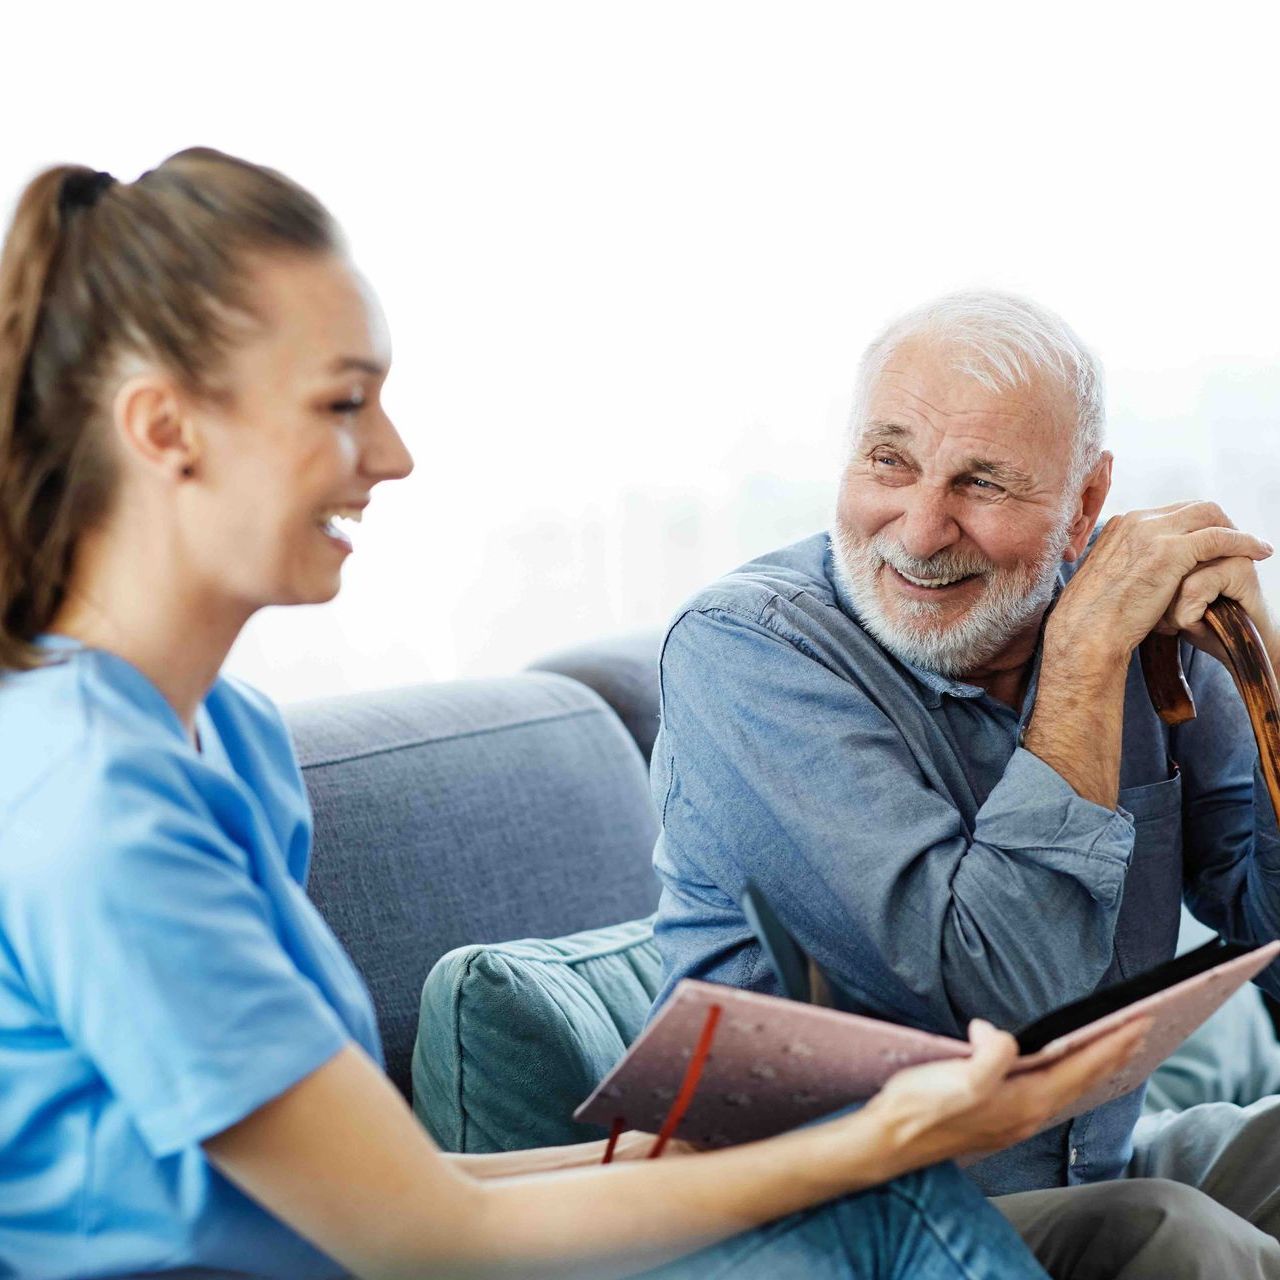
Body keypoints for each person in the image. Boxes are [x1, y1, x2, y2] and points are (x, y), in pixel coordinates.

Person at [0, 153, 1140, 1280]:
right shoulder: (94, 804)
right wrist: (895, 1132)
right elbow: (417, 1240)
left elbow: (384, 1184)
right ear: (162, 428)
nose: (394, 456)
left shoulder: (226, 737)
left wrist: (632, 1168)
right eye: (344, 403)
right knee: (887, 1207)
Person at [648, 288, 1280, 1275]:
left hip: (1090, 1169)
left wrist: (1263, 673)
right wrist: (1079, 662)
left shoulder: (1141, 625)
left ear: (1080, 505)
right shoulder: (748, 652)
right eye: (888, 460)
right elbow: (1000, 999)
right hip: (856, 1226)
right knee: (1172, 1235)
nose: (920, 526)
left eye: (980, 482)